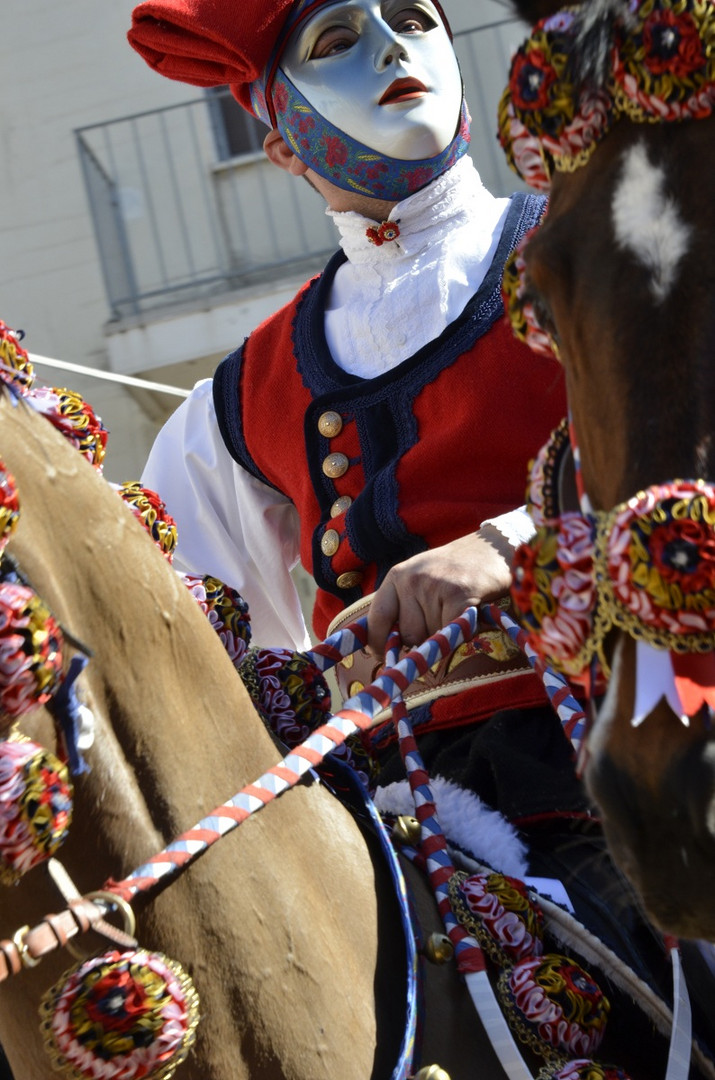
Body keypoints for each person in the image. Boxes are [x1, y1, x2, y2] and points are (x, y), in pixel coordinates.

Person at [127, 3, 715, 1074]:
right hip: (380, 799)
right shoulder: (231, 404)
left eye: (413, 18)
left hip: (603, 745)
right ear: (272, 135)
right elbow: (184, 640)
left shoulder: (585, 252)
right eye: (338, 38)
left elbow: (685, 467)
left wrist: (502, 545)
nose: (394, 48)